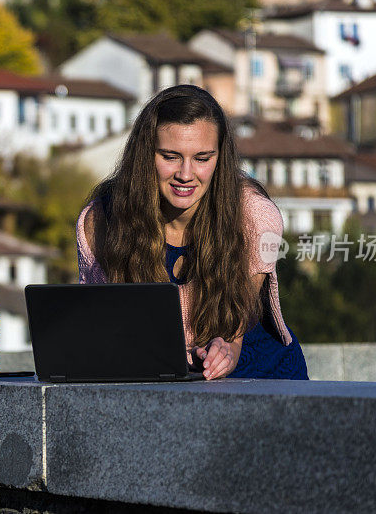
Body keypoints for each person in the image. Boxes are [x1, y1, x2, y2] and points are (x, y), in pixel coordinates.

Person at [76, 85, 307, 380]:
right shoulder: (100, 222)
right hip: (160, 380)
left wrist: (227, 349)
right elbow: (99, 325)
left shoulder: (257, 215)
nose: (186, 174)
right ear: (145, 156)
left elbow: (239, 316)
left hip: (259, 372)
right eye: (170, 156)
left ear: (220, 158)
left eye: (202, 158)